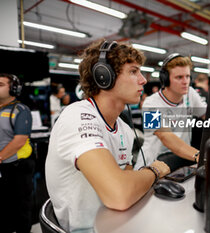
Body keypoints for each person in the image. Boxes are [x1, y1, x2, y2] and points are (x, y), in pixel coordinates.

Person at [45, 40, 170, 232]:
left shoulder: (124, 129)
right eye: (133, 71)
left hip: (115, 220)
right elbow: (119, 195)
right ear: (104, 77)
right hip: (85, 228)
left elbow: (127, 182)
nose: (143, 80)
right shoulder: (77, 116)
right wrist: (153, 171)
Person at [135, 53, 207, 172]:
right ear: (166, 80)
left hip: (181, 161)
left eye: (188, 76)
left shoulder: (190, 94)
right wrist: (200, 156)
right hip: (152, 166)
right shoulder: (150, 104)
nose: (185, 82)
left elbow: (207, 116)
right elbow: (165, 136)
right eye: (179, 77)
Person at [0, 73, 34, 233]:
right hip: (2, 166)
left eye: (0, 85)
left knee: (21, 207)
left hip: (18, 167)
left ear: (13, 89)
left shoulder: (20, 109)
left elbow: (20, 140)